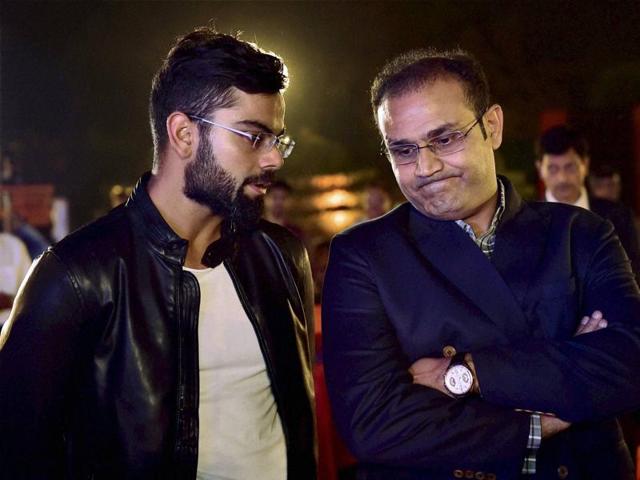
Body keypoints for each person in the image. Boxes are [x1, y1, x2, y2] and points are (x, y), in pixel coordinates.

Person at [0, 27, 316, 479]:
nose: (274, 160)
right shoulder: (77, 275)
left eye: (278, 140)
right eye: (252, 137)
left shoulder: (281, 255)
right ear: (184, 134)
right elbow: (18, 453)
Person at [322, 47, 640, 479]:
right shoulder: (364, 253)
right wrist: (548, 414)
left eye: (445, 138)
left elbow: (629, 366)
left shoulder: (580, 233)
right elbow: (373, 424)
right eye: (403, 150)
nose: (426, 166)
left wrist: (468, 373)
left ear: (492, 126)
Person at [537, 125, 640, 280]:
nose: (562, 178)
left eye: (570, 167)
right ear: (540, 169)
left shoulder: (619, 216)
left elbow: (634, 276)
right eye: (553, 169)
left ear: (585, 164)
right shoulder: (527, 220)